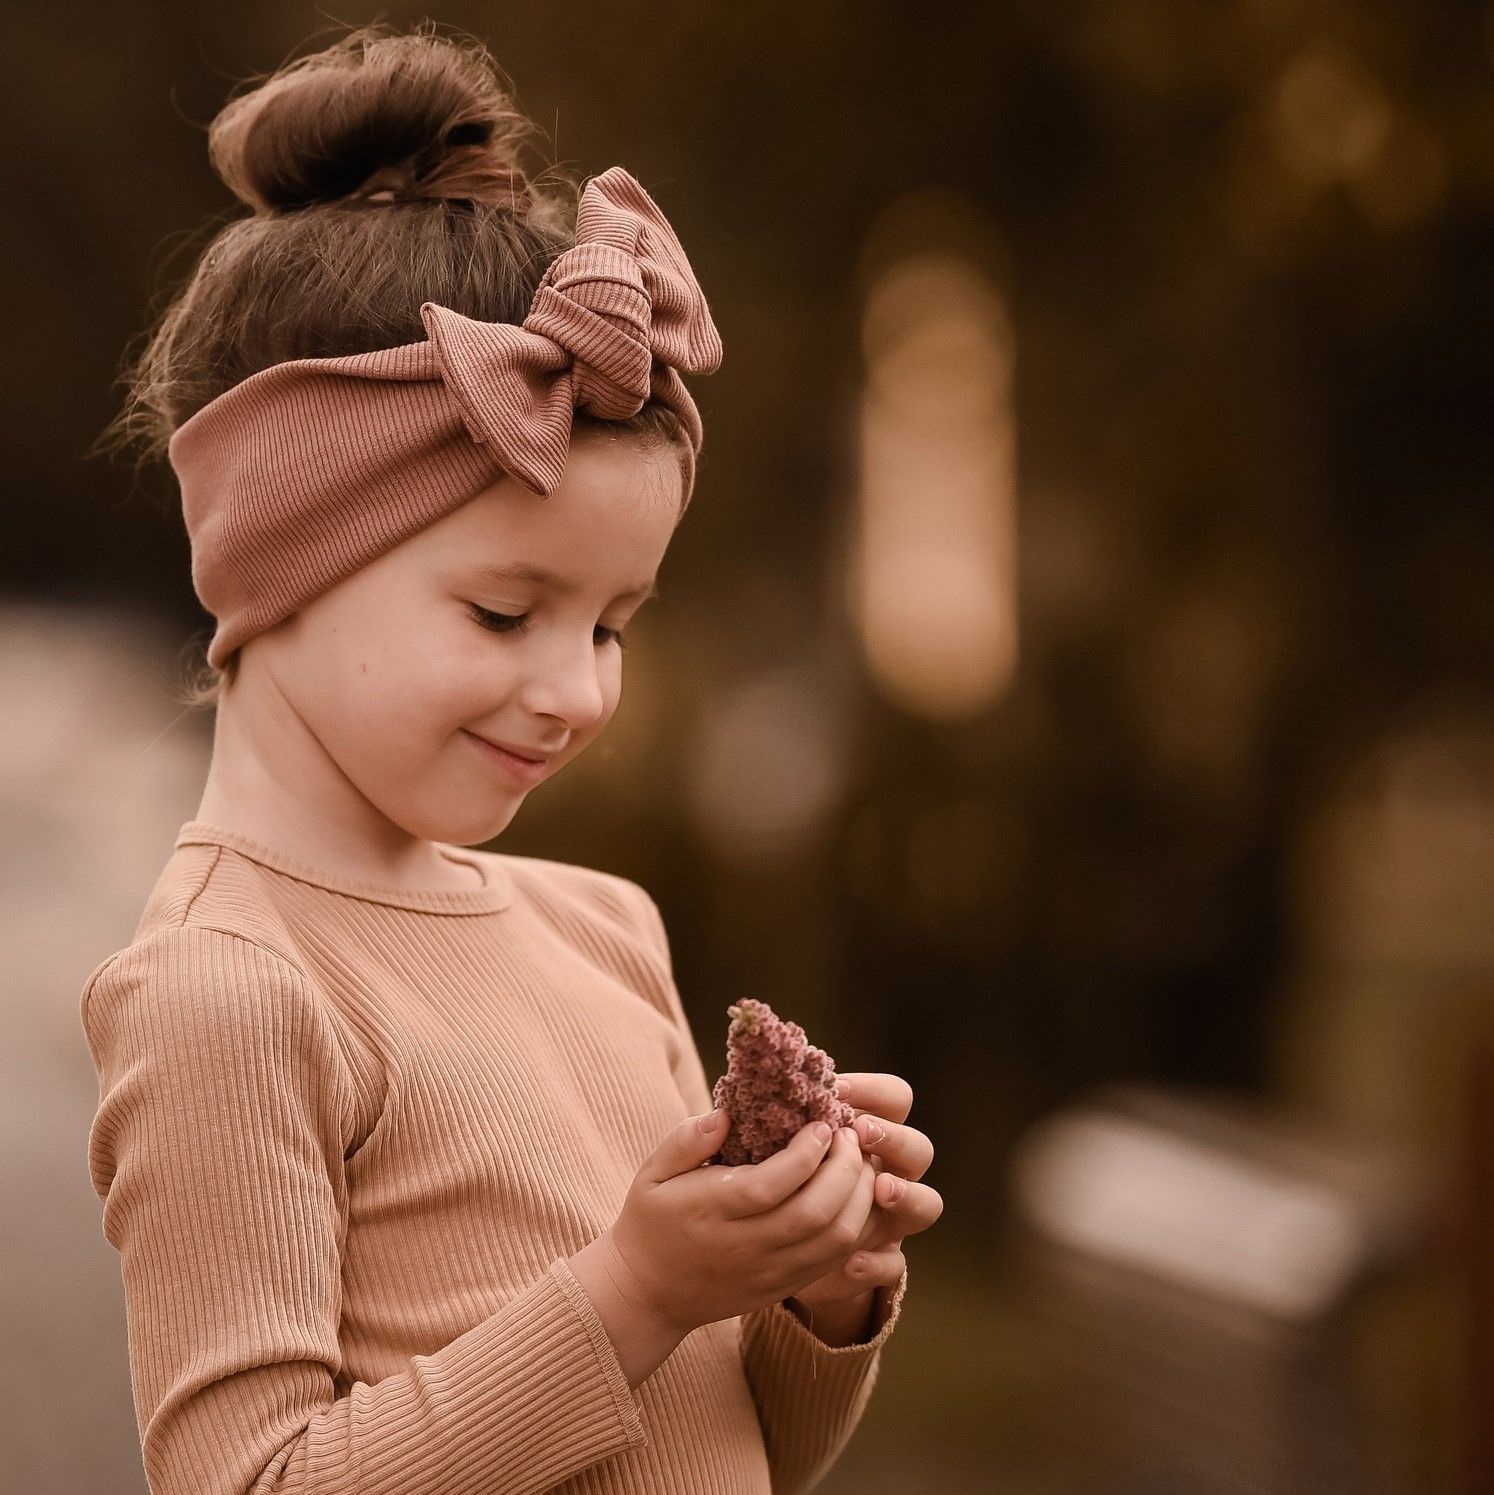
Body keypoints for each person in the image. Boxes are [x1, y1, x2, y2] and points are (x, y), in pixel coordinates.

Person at [79, 19, 939, 1495]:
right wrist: (635, 1289)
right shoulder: (231, 988)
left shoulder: (604, 930)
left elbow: (740, 1453)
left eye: (609, 624)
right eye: (501, 610)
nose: (574, 690)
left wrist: (815, 1287)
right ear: (278, 561)